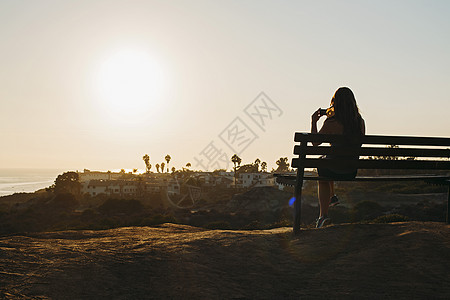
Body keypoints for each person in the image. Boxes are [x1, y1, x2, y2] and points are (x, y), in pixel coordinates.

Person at [311, 87, 366, 228]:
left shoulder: (331, 123)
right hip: (351, 170)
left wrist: (314, 122)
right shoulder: (360, 122)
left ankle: (323, 216)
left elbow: (315, 143)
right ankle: (332, 197)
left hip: (332, 169)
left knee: (323, 169)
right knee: (327, 162)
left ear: (335, 103)